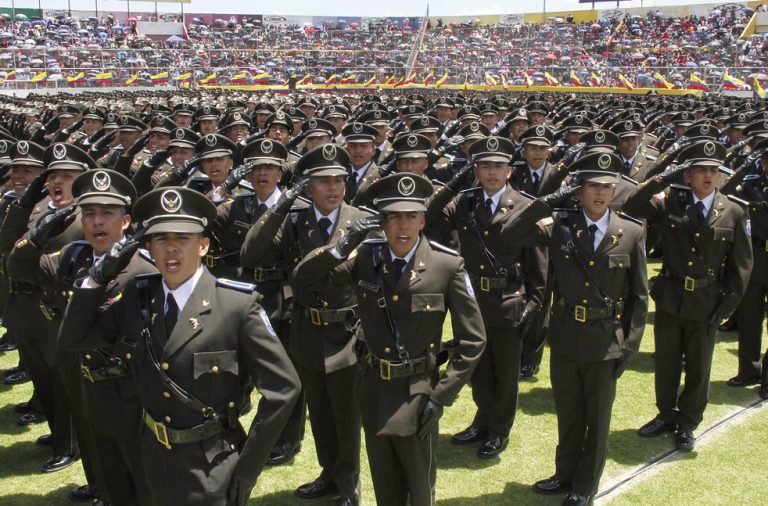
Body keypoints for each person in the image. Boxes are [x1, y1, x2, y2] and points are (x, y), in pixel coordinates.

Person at [58, 186, 301, 506]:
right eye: (161, 240)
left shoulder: (235, 304)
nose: (171, 250)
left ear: (203, 245)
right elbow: (74, 340)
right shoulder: (138, 296)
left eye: (182, 239)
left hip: (210, 466)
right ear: (148, 247)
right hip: (153, 457)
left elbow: (284, 388)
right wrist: (94, 280)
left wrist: (247, 467)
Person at [293, 172, 486, 506]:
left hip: (418, 391)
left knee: (419, 486)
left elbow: (473, 340)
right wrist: (342, 245)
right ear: (382, 222)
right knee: (385, 484)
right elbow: (305, 278)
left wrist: (441, 396)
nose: (402, 226)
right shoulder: (367, 257)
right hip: (373, 387)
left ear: (423, 220)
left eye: (410, 216)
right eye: (394, 216)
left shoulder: (446, 265)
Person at [501, 152, 648, 505]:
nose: (600, 194)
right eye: (593, 186)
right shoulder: (560, 226)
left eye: (607, 187)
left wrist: (630, 344)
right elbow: (511, 231)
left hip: (605, 340)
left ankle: (585, 485)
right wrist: (549, 200)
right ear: (579, 190)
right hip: (566, 334)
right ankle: (564, 473)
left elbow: (639, 297)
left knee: (597, 420)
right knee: (568, 411)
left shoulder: (630, 232)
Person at [8, 169, 155, 505]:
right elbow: (20, 269)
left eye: (107, 213)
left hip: (131, 389)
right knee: (107, 474)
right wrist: (36, 237)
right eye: (89, 214)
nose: (97, 222)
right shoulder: (74, 257)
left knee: (143, 479)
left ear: (126, 220)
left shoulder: (144, 268)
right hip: (88, 381)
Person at [241, 144, 372, 505]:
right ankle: (328, 476)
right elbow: (250, 253)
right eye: (323, 181)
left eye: (338, 180)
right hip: (308, 331)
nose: (333, 188)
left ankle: (349, 488)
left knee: (347, 419)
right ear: (307, 186)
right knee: (320, 414)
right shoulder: (295, 222)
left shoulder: (360, 220)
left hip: (348, 335)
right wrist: (283, 203)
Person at [623, 140, 752, 452]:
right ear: (688, 175)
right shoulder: (670, 201)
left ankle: (687, 422)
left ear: (720, 176)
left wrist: (724, 309)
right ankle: (666, 414)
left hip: (706, 301)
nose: (708, 176)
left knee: (698, 367)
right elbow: (631, 206)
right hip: (671, 296)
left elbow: (741, 267)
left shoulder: (734, 211)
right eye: (700, 170)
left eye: (713, 171)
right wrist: (663, 177)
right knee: (666, 362)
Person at [424, 136, 547, 459]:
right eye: (485, 166)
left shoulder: (524, 206)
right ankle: (481, 421)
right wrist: (454, 184)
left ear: (509, 171)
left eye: (499, 166)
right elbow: (430, 214)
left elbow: (538, 265)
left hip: (508, 300)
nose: (492, 172)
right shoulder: (464, 202)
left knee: (505, 373)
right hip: (472, 299)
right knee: (477, 368)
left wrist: (533, 305)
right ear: (475, 170)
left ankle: (498, 430)